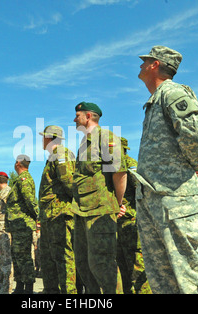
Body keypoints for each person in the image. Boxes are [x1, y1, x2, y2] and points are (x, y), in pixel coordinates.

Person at [135, 45, 198, 294]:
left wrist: (190, 164)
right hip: (154, 197)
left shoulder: (172, 92)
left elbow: (195, 134)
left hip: (175, 197)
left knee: (188, 272)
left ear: (155, 65)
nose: (140, 65)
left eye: (145, 60)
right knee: (162, 276)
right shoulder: (154, 101)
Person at [72, 101, 127, 294]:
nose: (74, 119)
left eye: (77, 115)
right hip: (81, 211)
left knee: (101, 263)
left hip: (100, 210)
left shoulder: (106, 137)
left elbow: (119, 172)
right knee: (83, 263)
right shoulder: (83, 143)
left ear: (88, 116)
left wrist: (118, 203)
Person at [38, 125, 77, 294]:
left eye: (43, 137)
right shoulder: (53, 156)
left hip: (60, 214)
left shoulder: (61, 153)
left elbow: (69, 182)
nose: (41, 140)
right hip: (50, 215)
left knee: (63, 257)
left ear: (49, 138)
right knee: (48, 258)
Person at [117, 137, 150, 294]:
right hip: (119, 225)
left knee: (137, 269)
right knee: (123, 270)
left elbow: (142, 192)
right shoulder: (112, 167)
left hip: (132, 223)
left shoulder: (130, 165)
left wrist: (129, 211)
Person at [6, 154, 39, 294]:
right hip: (17, 225)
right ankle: (20, 286)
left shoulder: (24, 179)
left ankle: (28, 288)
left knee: (24, 257)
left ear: (18, 163)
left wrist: (38, 215)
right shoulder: (19, 180)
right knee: (17, 256)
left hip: (23, 225)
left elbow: (30, 200)